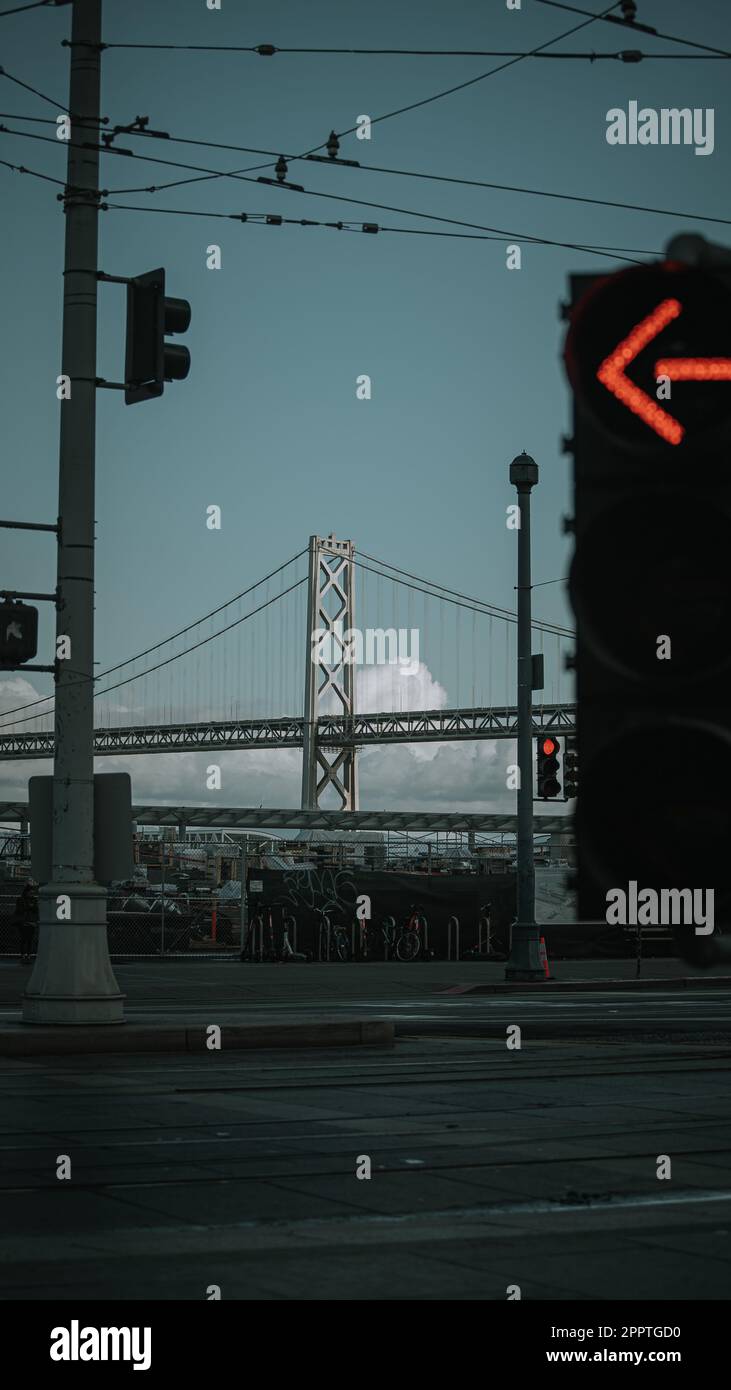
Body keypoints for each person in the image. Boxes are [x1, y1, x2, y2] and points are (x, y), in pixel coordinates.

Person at [15, 880, 38, 962]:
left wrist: (28, 907)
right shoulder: (21, 899)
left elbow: (36, 909)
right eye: (30, 892)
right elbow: (19, 910)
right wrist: (29, 907)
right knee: (24, 939)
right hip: (24, 921)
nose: (31, 894)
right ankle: (23, 955)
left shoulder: (33, 900)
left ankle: (28, 955)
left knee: (29, 940)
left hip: (30, 921)